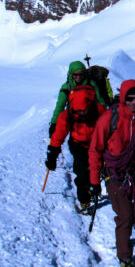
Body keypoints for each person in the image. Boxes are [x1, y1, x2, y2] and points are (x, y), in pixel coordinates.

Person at [88, 79, 135, 267]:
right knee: (126, 215)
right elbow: (95, 150)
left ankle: (124, 240)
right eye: (130, 99)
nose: (134, 103)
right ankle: (125, 256)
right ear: (123, 99)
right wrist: (94, 181)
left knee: (127, 212)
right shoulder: (109, 120)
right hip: (114, 172)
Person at [45, 84, 106, 212]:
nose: (81, 115)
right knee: (82, 172)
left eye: (84, 112)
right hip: (78, 145)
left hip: (97, 145)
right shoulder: (67, 115)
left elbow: (110, 129)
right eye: (79, 112)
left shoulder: (99, 110)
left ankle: (94, 185)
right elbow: (58, 135)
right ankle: (84, 199)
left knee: (95, 168)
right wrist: (52, 154)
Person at [49, 61, 108, 136]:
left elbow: (100, 102)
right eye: (75, 75)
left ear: (85, 73)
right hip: (75, 121)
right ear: (71, 75)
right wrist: (54, 123)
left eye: (81, 74)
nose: (78, 77)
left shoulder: (91, 84)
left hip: (91, 119)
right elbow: (60, 106)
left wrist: (105, 119)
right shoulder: (67, 87)